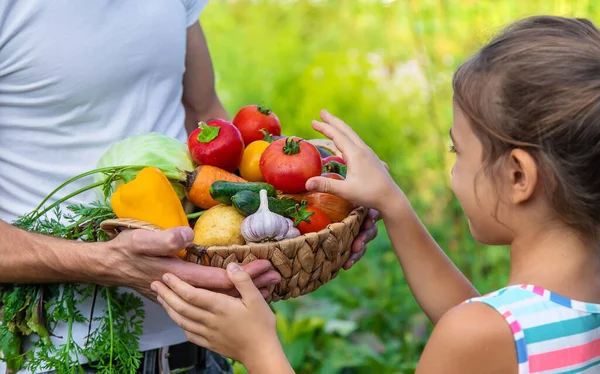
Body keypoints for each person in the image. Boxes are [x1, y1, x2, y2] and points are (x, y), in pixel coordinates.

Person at [152, 15, 600, 374]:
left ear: (519, 177)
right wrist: (394, 205)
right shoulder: (552, 312)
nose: (454, 169)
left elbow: (472, 327)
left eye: (457, 151)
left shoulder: (479, 336)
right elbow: (474, 318)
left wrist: (260, 351)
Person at [0, 1, 381, 372]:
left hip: (201, 342)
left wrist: (319, 202)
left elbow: (204, 112)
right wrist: (108, 263)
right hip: (61, 355)